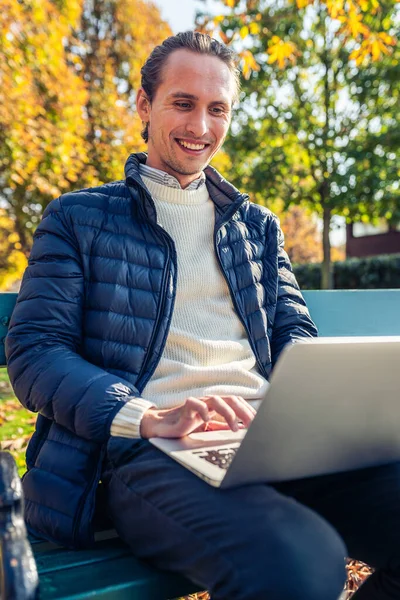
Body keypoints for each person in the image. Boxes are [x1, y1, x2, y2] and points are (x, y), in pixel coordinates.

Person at [5, 31, 400, 600]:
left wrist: (326, 413)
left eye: (217, 109)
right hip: (147, 451)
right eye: (183, 103)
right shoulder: (77, 218)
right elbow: (36, 352)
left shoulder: (256, 227)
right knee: (302, 562)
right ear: (144, 105)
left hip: (269, 439)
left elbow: (294, 337)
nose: (200, 127)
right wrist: (143, 416)